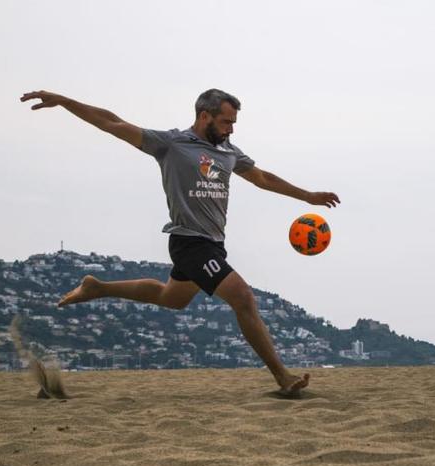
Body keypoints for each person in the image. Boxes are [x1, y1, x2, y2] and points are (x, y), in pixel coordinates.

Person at [19, 89, 340, 396]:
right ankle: (283, 377)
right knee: (242, 297)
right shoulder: (171, 144)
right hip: (189, 242)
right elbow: (112, 122)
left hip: (213, 243)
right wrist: (63, 101)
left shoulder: (229, 151)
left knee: (171, 297)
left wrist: (308, 196)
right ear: (205, 116)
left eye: (233, 123)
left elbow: (263, 178)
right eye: (226, 122)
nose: (231, 129)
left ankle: (97, 287)